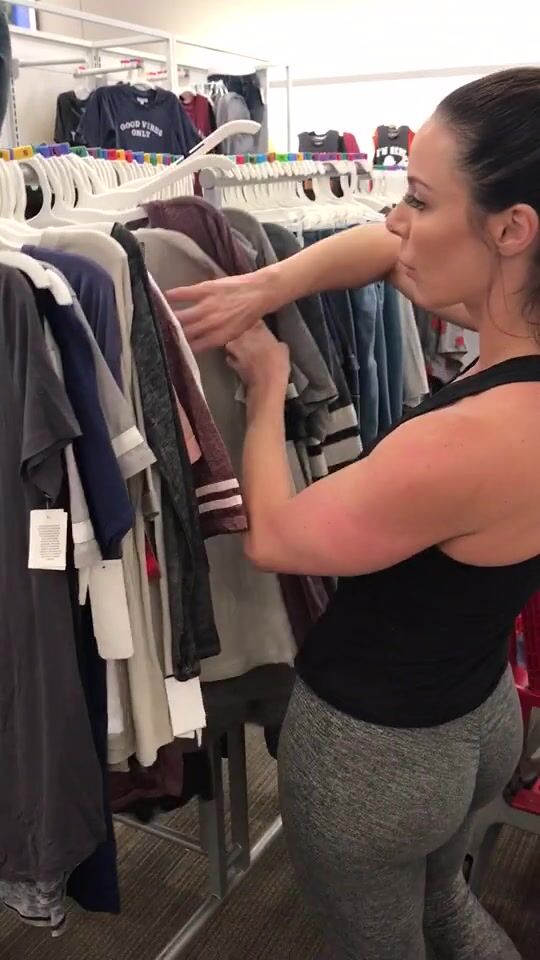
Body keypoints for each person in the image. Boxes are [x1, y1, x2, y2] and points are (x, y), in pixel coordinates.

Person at [166, 68, 540, 959]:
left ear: (511, 228)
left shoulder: (475, 439)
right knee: (444, 906)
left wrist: (266, 393)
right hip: (478, 711)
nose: (394, 221)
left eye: (419, 199)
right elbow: (383, 251)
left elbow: (277, 539)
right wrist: (266, 285)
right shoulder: (512, 341)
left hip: (378, 750)